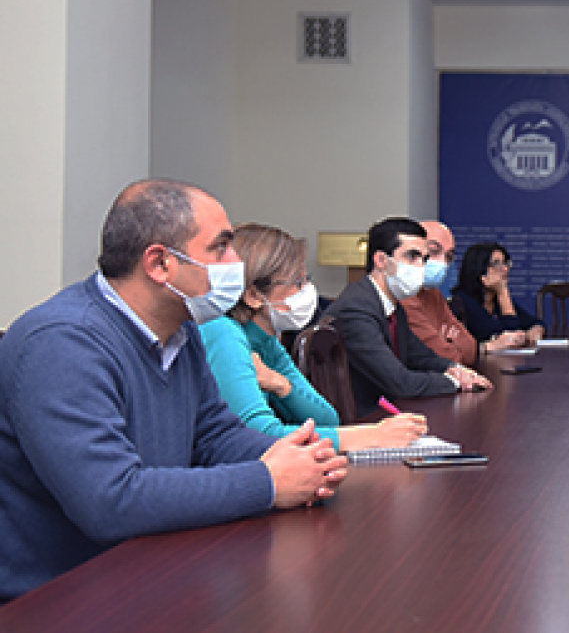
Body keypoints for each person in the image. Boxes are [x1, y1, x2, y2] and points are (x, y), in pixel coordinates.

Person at [0, 179, 347, 601]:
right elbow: (110, 501)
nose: (236, 263)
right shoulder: (61, 342)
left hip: (151, 572)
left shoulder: (183, 332)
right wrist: (268, 481)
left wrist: (303, 460)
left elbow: (215, 435)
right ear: (160, 264)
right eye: (221, 247)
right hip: (58, 598)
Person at [199, 223, 428, 451]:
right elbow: (261, 437)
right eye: (297, 283)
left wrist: (281, 385)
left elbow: (328, 418)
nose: (307, 290)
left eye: (306, 279)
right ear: (253, 296)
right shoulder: (222, 332)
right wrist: (373, 435)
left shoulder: (267, 340)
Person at [325, 218, 491, 417]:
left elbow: (420, 356)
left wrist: (454, 368)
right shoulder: (356, 309)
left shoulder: (392, 305)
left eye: (424, 259)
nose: (420, 266)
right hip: (362, 421)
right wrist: (455, 382)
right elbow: (400, 382)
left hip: (389, 412)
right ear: (381, 260)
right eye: (412, 256)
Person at [400, 221, 478, 364]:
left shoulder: (434, 294)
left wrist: (445, 343)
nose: (442, 262)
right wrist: (450, 344)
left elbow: (471, 349)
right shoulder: (403, 296)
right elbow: (441, 358)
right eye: (434, 251)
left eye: (448, 256)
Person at [452, 242, 546, 349]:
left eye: (505, 263)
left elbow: (535, 323)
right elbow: (509, 336)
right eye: (496, 264)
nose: (505, 269)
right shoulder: (463, 300)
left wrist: (535, 331)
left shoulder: (495, 300)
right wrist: (503, 291)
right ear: (479, 269)